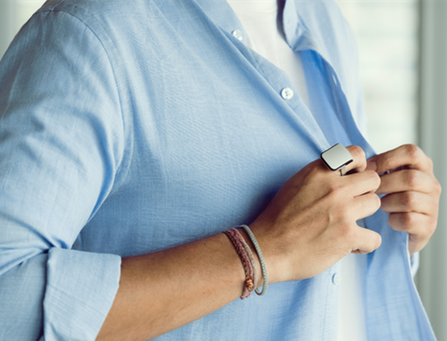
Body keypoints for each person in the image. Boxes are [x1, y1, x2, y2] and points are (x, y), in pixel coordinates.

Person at [0, 0, 440, 340]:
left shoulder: (323, 19)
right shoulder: (90, 34)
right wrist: (257, 253)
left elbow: (319, 258)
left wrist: (385, 231)